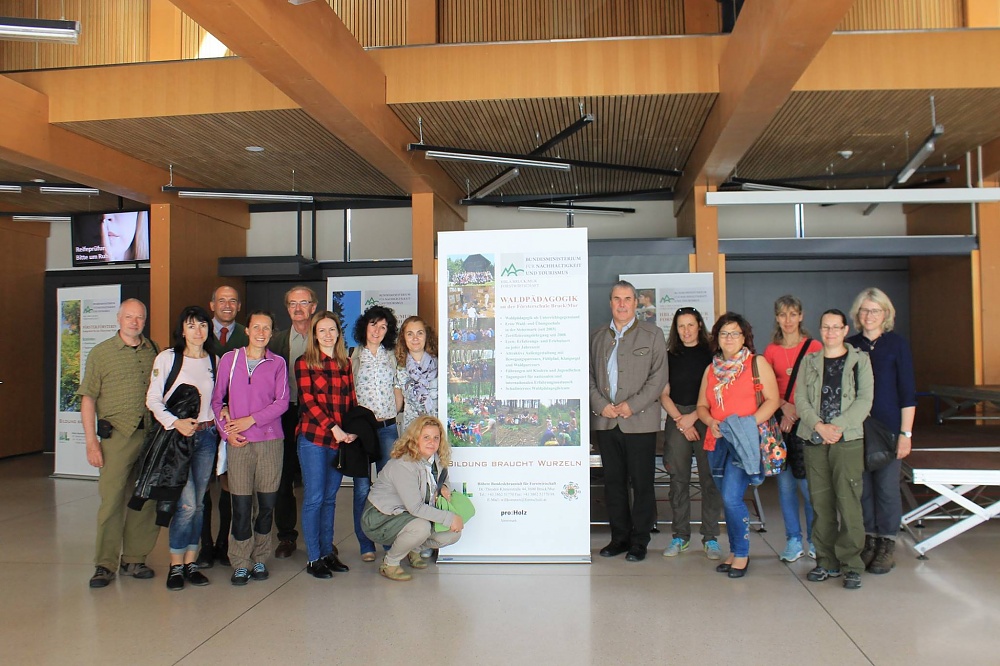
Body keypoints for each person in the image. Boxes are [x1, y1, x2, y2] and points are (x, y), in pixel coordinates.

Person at [78, 298, 160, 588]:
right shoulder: (101, 353)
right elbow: (88, 398)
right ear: (118, 318)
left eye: (139, 317)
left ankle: (135, 558)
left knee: (145, 498)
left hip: (149, 435)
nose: (134, 322)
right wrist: (91, 442)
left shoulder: (154, 350)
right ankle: (105, 563)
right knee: (111, 500)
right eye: (129, 317)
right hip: (116, 438)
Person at [589, 280, 668, 562]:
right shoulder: (596, 336)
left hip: (640, 422)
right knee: (613, 483)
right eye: (616, 299)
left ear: (636, 303)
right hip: (606, 422)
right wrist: (601, 405)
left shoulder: (652, 334)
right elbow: (586, 375)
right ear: (610, 302)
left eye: (627, 299)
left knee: (642, 483)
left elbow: (658, 377)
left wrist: (631, 406)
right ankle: (619, 538)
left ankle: (640, 540)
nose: (622, 304)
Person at [696, 312, 780, 578]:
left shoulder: (756, 363)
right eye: (724, 333)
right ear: (717, 338)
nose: (729, 338)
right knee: (726, 499)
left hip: (744, 442)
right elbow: (701, 406)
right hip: (717, 442)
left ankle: (742, 554)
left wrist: (747, 424)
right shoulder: (711, 369)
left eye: (735, 333)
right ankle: (733, 552)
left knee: (732, 498)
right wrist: (710, 421)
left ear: (745, 337)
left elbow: (773, 400)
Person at [796, 309, 874, 590]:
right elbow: (800, 398)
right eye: (826, 327)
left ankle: (851, 564)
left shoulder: (859, 361)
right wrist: (819, 426)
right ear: (820, 330)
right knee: (820, 503)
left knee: (848, 501)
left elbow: (865, 400)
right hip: (814, 439)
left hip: (847, 440)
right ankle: (826, 561)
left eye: (836, 327)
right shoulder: (809, 361)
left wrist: (835, 427)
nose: (830, 332)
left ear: (845, 330)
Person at [212, 311, 290, 586]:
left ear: (272, 333)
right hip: (239, 443)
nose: (260, 332)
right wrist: (227, 433)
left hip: (270, 442)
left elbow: (282, 402)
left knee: (266, 505)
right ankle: (240, 561)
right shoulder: (230, 360)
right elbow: (216, 401)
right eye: (256, 327)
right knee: (242, 506)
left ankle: (260, 558)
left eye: (266, 328)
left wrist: (250, 419)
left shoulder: (277, 363)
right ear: (247, 330)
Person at [145, 306, 218, 590]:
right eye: (191, 325)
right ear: (182, 330)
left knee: (199, 504)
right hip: (178, 439)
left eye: (202, 325)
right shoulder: (168, 358)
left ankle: (191, 562)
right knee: (186, 504)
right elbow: (153, 399)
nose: (198, 331)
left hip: (206, 437)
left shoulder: (215, 360)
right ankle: (175, 565)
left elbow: (218, 399)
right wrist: (175, 423)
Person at [295, 310, 371, 579]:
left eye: (332, 329)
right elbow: (308, 402)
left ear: (339, 333)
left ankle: (328, 552)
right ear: (314, 335)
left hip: (339, 441)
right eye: (322, 330)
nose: (327, 335)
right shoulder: (304, 362)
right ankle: (314, 557)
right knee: (314, 498)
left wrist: (351, 431)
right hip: (314, 439)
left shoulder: (344, 363)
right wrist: (334, 428)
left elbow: (351, 401)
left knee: (330, 499)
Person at [847, 288, 916, 575]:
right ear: (857, 314)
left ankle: (887, 544)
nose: (869, 315)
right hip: (857, 429)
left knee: (887, 489)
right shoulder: (850, 345)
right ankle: (869, 541)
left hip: (889, 429)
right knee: (862, 490)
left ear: (885, 314)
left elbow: (908, 392)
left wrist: (906, 434)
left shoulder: (897, 345)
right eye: (864, 310)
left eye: (875, 310)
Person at [361, 416, 463, 582]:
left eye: (436, 438)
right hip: (381, 517)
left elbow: (444, 480)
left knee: (452, 534)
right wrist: (449, 517)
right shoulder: (404, 464)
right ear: (415, 438)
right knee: (421, 527)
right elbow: (415, 507)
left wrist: (445, 487)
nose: (432, 442)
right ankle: (390, 564)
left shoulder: (436, 460)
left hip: (409, 515)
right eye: (426, 437)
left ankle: (413, 549)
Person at [659, 307, 723, 560]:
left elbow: (716, 393)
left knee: (710, 479)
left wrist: (694, 417)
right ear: (675, 329)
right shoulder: (668, 356)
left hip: (705, 417)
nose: (686, 331)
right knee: (678, 480)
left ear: (699, 326)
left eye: (690, 325)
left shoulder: (712, 355)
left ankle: (710, 537)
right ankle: (680, 536)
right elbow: (663, 393)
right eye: (681, 326)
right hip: (677, 417)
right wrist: (680, 421)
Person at [763, 295, 822, 563]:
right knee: (785, 486)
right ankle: (793, 540)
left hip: (807, 423)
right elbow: (764, 387)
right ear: (777, 318)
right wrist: (784, 407)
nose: (788, 320)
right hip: (780, 422)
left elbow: (818, 385)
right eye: (783, 314)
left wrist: (796, 410)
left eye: (793, 314)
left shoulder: (814, 347)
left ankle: (816, 539)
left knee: (809, 487)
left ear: (801, 316)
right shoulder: (771, 350)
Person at [197, 285, 249, 569]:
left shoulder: (247, 334)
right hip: (204, 420)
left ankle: (224, 543)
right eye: (221, 300)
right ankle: (205, 545)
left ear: (239, 306)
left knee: (231, 483)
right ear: (212, 304)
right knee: (203, 484)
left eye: (232, 301)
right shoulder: (199, 332)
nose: (227, 305)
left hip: (235, 422)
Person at [268, 285, 318, 560]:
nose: (298, 309)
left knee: (316, 479)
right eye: (293, 304)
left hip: (316, 415)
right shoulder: (276, 341)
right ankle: (286, 536)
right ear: (287, 308)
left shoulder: (323, 336)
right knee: (283, 477)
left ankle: (319, 538)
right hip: (284, 414)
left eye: (304, 303)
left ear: (313, 307)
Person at [351, 305, 404, 474]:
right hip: (362, 427)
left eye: (383, 327)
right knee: (361, 481)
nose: (377, 331)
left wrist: (393, 411)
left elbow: (397, 386)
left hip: (387, 426)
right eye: (373, 324)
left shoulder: (392, 355)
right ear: (365, 326)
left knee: (387, 477)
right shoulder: (353, 355)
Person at [395, 315, 439, 431]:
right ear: (403, 338)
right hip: (411, 431)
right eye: (410, 334)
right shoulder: (399, 369)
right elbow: (396, 405)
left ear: (426, 335)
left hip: (437, 429)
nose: (415, 338)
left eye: (420, 333)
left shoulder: (441, 365)